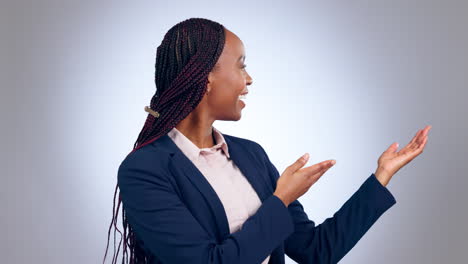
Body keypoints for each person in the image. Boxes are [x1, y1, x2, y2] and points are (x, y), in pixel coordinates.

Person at [103, 17, 432, 264]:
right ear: (206, 77)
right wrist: (280, 200)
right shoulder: (144, 170)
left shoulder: (250, 155)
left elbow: (317, 251)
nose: (248, 79)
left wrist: (382, 176)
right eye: (241, 65)